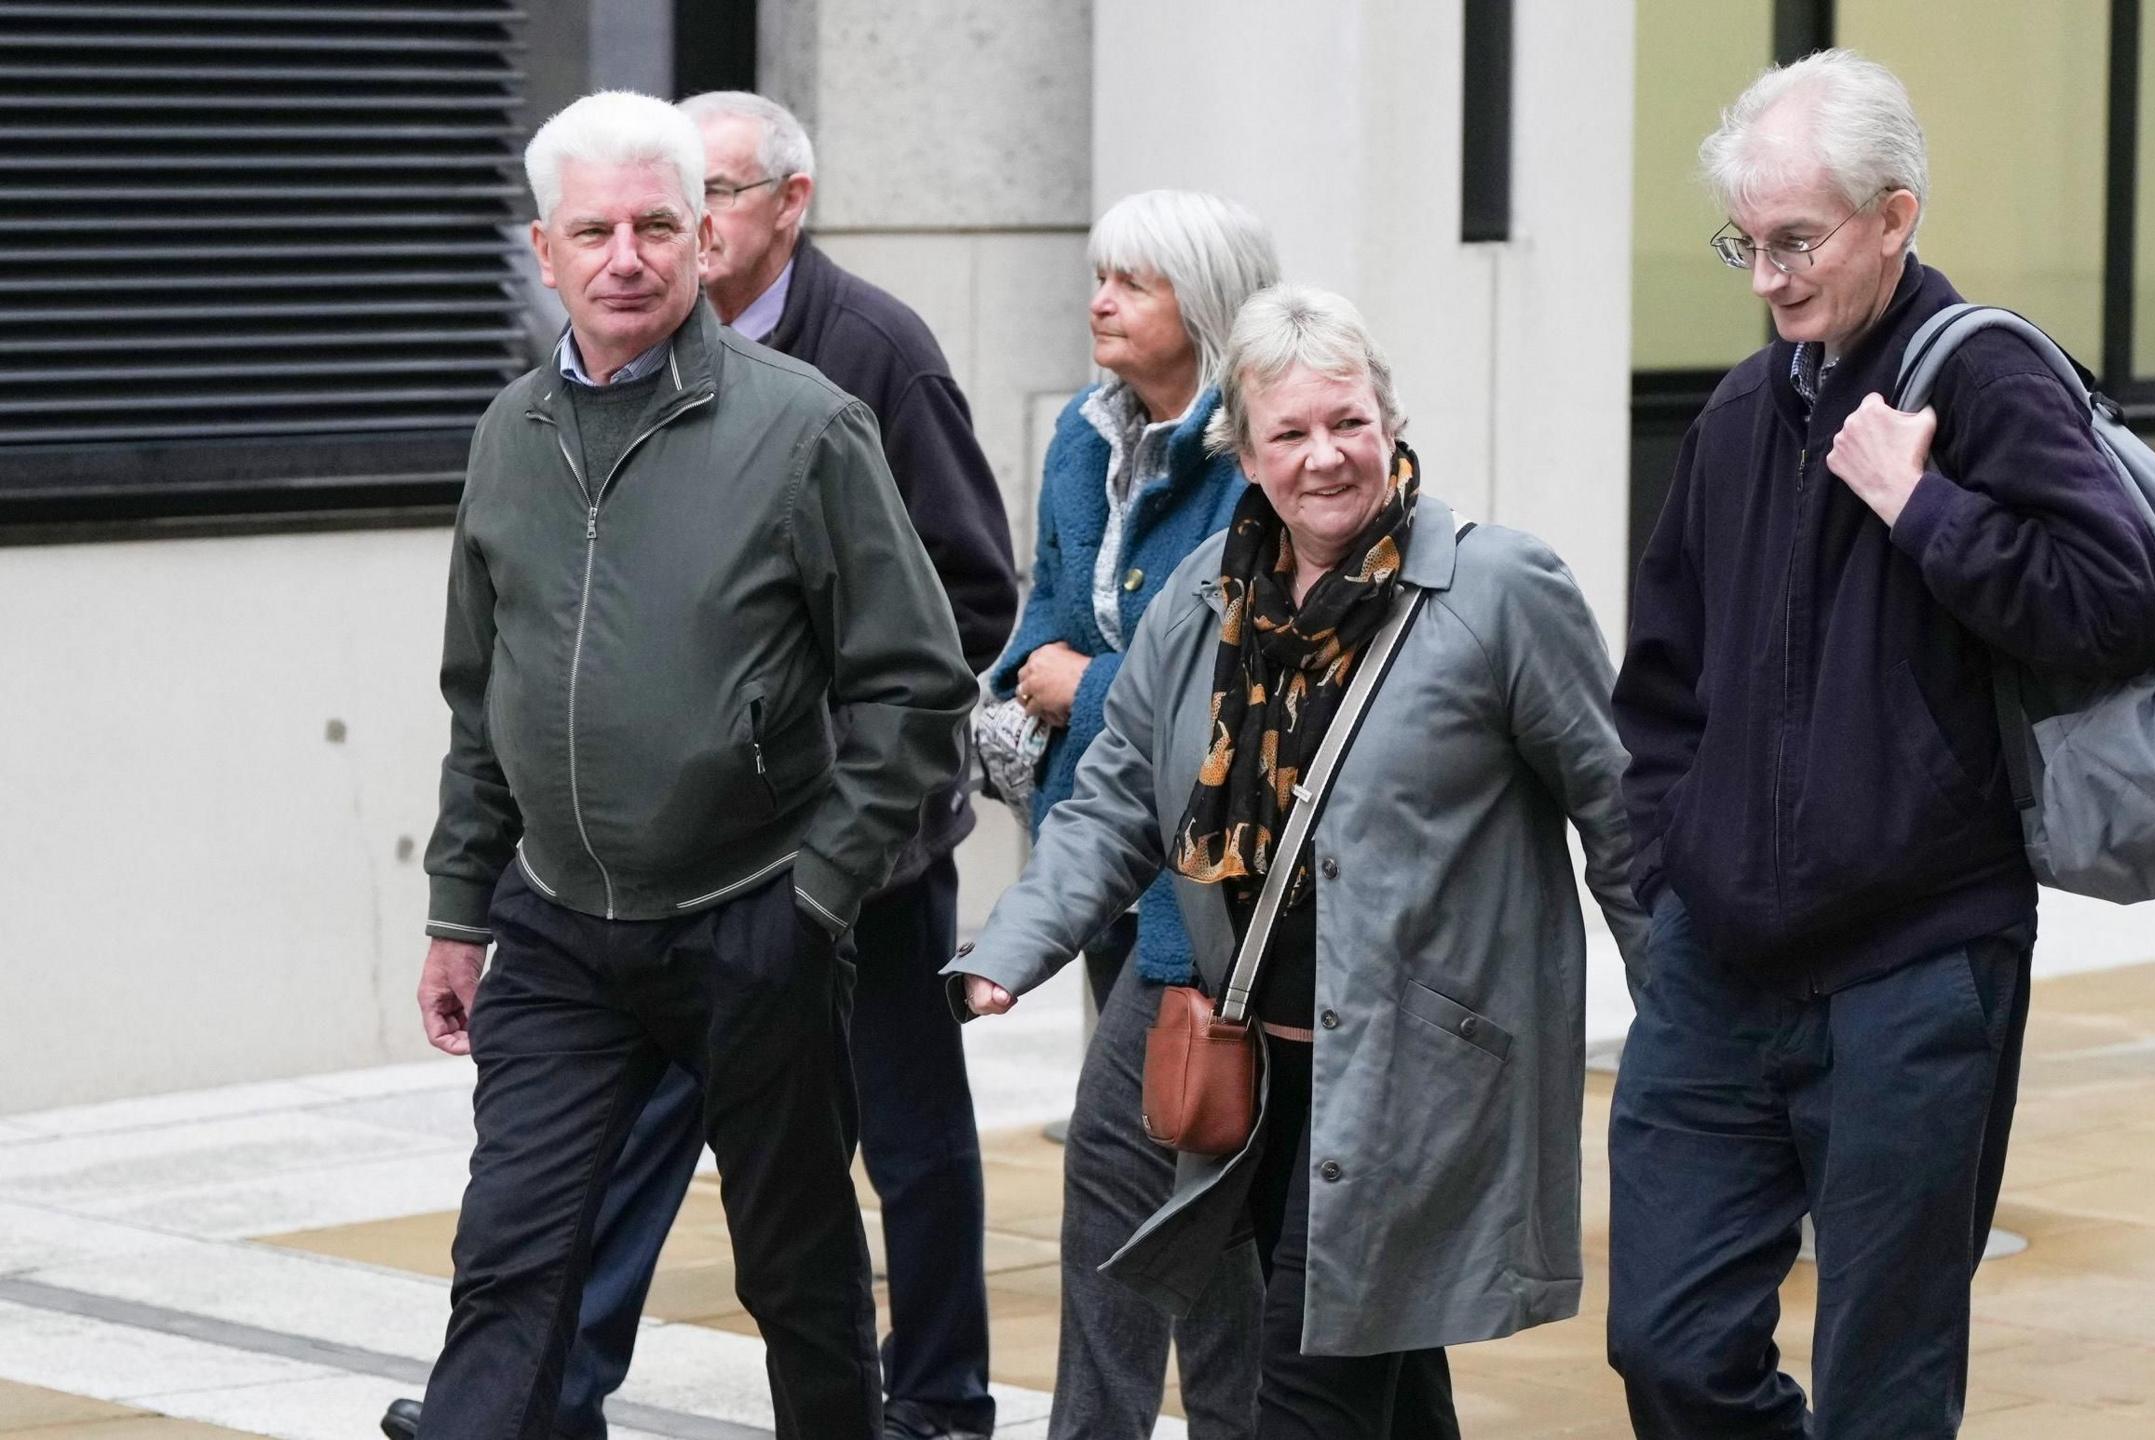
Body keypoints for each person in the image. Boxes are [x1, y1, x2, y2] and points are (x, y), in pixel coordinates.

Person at [382, 91, 1017, 1440]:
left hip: (756, 917)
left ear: (703, 239)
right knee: (510, 1261)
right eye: (595, 229)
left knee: (796, 1270)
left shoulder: (809, 427)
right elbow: (480, 694)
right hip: (558, 933)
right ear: (543, 251)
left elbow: (915, 678)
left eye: (658, 224)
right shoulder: (508, 439)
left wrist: (823, 893)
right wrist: (457, 908)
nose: (628, 254)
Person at [952, 285, 1647, 1439]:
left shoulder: (1497, 591)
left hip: (1415, 1090)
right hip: (1262, 1087)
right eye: (1291, 433)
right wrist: (1016, 948)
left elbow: (1621, 814)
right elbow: (1118, 801)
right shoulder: (1203, 601)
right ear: (1246, 451)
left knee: (1306, 1394)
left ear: (1391, 422)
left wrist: (1684, 1016)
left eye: (1349, 422)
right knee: (1389, 1380)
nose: (1326, 457)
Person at [1606, 51, 2155, 1439]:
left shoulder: (1983, 378)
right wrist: (1664, 875)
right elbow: (1666, 685)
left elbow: (2118, 603)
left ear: (1894, 216)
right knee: (1668, 1342)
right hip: (1719, 969)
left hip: (1916, 969)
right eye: (1745, 242)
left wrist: (1923, 510)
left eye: (1795, 242)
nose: (1766, 279)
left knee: (1887, 1382)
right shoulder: (1746, 410)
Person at [980, 188, 1278, 1440]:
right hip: (1099, 845)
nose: (1100, 299)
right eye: (1100, 274)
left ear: (1202, 307)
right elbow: (1046, 604)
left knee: (1157, 1172)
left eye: (1135, 283)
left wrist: (1082, 687)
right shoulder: (1081, 436)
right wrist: (1026, 683)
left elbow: (1239, 669)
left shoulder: (1254, 452)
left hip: (1206, 886)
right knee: (1170, 1171)